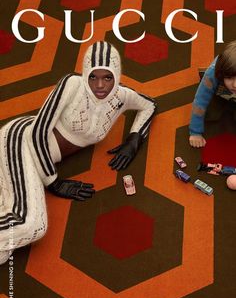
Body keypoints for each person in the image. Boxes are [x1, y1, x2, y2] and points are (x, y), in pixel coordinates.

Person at [0, 41, 157, 264]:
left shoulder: (121, 96)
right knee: (34, 225)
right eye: (93, 77)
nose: (100, 85)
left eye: (108, 77)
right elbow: (37, 133)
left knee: (3, 252)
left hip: (31, 163)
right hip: (20, 142)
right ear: (85, 74)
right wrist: (54, 182)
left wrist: (134, 139)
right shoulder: (72, 84)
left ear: (117, 75)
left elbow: (150, 104)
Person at [189, 40, 236, 148]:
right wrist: (195, 132)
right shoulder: (212, 74)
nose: (235, 85)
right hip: (220, 90)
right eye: (229, 78)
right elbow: (200, 102)